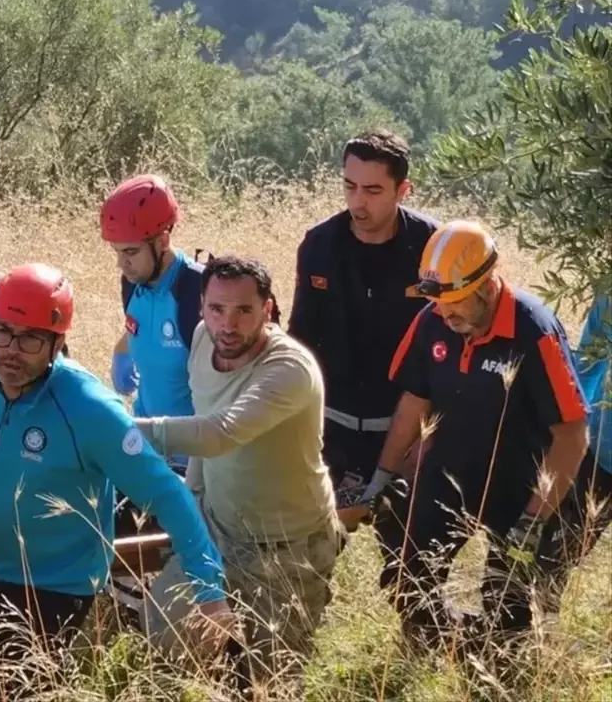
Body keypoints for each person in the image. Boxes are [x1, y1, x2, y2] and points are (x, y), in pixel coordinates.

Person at [0, 264, 236, 700]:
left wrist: (209, 591)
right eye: (2, 331)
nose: (11, 350)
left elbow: (167, 493)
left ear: (58, 343)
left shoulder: (90, 411)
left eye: (30, 338)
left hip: (55, 585)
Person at [357, 220, 589, 653]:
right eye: (439, 304)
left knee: (507, 611)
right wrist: (382, 477)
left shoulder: (534, 330)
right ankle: (435, 649)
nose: (445, 315)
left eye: (455, 303)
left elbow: (572, 434)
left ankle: (497, 668)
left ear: (486, 286)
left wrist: (534, 520)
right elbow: (413, 402)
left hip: (523, 492)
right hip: (449, 476)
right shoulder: (433, 320)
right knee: (408, 579)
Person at [136, 256, 342, 689]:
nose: (228, 324)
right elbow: (203, 423)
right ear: (201, 308)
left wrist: (120, 431)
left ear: (267, 310)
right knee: (168, 634)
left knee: (272, 681)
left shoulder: (289, 369)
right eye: (216, 309)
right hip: (217, 527)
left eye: (244, 311)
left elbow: (219, 434)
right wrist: (191, 506)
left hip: (286, 548)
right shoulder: (201, 341)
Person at [288, 131, 439, 504]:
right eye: (349, 186)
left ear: (403, 190)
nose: (358, 201)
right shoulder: (319, 245)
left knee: (409, 553)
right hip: (330, 426)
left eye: (372, 190)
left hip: (408, 429)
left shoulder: (433, 246)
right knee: (312, 547)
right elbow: (301, 336)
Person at [101, 174, 205, 429]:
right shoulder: (132, 282)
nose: (121, 264)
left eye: (131, 252)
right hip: (146, 440)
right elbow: (143, 323)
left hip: (194, 454)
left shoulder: (200, 291)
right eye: (116, 251)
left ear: (163, 241)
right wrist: (122, 348)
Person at [538, 288, 612, 608]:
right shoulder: (609, 297)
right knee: (558, 555)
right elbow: (588, 365)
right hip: (602, 451)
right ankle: (532, 634)